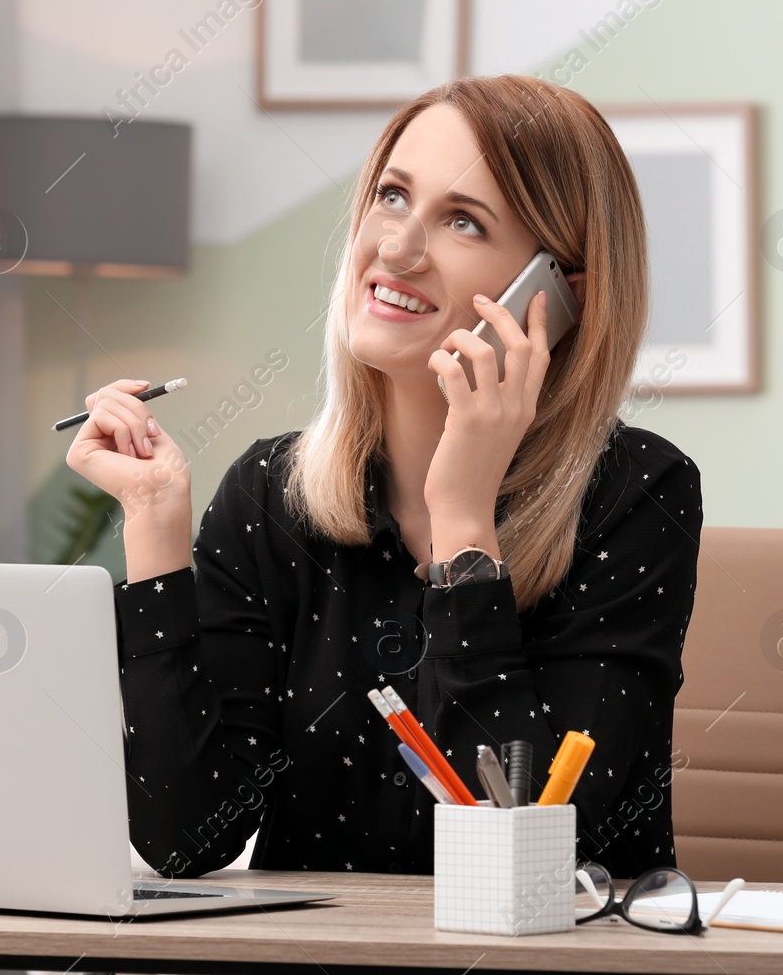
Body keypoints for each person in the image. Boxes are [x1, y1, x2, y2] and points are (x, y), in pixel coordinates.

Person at [65, 74, 702, 879]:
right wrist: (155, 525)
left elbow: (544, 855)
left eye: (463, 220)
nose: (396, 248)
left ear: (555, 296)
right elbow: (186, 836)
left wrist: (463, 522)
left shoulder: (637, 492)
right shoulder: (272, 493)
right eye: (393, 197)